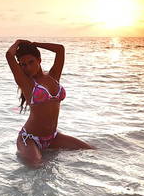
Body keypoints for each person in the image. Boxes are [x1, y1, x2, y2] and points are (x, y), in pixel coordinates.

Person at [6, 39, 94, 167]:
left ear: (39, 60)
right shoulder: (26, 83)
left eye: (31, 62)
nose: (28, 68)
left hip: (53, 137)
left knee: (90, 151)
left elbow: (60, 49)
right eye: (23, 64)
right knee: (37, 167)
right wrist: (18, 42)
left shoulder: (54, 75)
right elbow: (9, 55)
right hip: (29, 139)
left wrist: (35, 44)